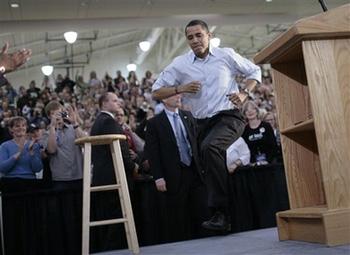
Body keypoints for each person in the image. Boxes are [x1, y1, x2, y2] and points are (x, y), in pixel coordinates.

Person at [152, 19, 261, 232]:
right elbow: (157, 91)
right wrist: (179, 88)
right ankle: (227, 217)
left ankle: (220, 213)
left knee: (210, 148)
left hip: (229, 116)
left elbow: (254, 72)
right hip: (200, 124)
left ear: (209, 35)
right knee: (207, 164)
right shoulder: (180, 64)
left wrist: (243, 93)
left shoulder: (225, 55)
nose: (195, 40)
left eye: (199, 35)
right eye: (190, 37)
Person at [145, 94, 208, 241]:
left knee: (200, 209)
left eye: (179, 93)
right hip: (172, 174)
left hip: (194, 171)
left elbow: (197, 142)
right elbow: (153, 153)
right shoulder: (155, 123)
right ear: (164, 99)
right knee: (178, 214)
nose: (178, 96)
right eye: (174, 94)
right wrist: (158, 177)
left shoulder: (188, 116)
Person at [89, 92, 138, 252]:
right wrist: (133, 166)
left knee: (110, 219)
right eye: (115, 100)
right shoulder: (108, 121)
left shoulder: (99, 121)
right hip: (115, 178)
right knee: (117, 220)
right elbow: (121, 150)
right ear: (104, 103)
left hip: (103, 178)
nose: (119, 103)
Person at [40, 101, 86, 189]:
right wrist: (53, 127)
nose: (57, 116)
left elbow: (86, 143)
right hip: (60, 178)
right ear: (49, 116)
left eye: (59, 113)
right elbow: (51, 150)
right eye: (54, 114)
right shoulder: (46, 134)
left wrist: (75, 123)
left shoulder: (73, 128)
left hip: (79, 175)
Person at [0, 116, 42, 192]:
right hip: (10, 182)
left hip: (30, 182)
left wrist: (32, 154)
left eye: (23, 125)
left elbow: (38, 169)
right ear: (11, 129)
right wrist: (18, 153)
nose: (21, 128)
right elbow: (2, 168)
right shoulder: (4, 146)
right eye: (17, 126)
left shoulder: (34, 145)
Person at [241, 101, 278, 165]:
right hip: (252, 166)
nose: (250, 111)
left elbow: (274, 146)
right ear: (244, 114)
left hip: (269, 164)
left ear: (256, 111)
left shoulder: (266, 126)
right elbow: (244, 150)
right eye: (247, 110)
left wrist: (268, 161)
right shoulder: (244, 130)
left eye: (252, 108)